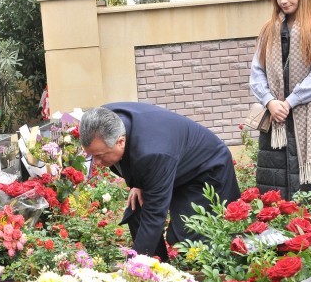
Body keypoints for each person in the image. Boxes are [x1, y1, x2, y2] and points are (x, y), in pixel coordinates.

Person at [79, 102, 240, 260]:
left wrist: (134, 267)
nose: (97, 163)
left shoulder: (152, 153)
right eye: (92, 156)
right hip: (174, 162)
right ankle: (159, 272)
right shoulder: (104, 120)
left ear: (121, 141)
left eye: (100, 156)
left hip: (206, 170)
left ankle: (211, 279)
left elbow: (155, 215)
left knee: (189, 239)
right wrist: (138, 183)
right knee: (136, 209)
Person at [249, 0, 311, 200]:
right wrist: (269, 102)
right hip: (275, 121)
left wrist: (289, 101)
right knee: (275, 199)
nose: (283, 0)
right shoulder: (269, 30)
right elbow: (257, 72)